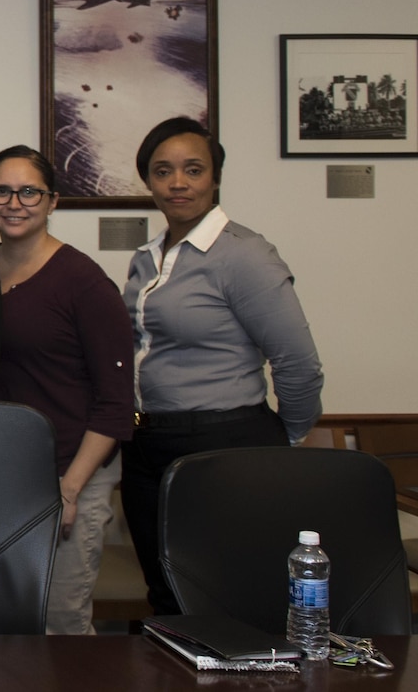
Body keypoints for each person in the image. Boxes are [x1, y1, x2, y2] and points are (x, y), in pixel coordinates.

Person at [121, 117, 323, 616]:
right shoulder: (147, 259)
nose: (178, 182)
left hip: (226, 444)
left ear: (215, 178)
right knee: (167, 596)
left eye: (194, 169)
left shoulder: (244, 255)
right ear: (147, 180)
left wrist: (284, 439)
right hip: (148, 445)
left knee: (228, 596)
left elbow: (298, 362)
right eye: (163, 171)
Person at [0, 145, 132, 635]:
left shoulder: (83, 282)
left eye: (29, 191)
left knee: (59, 626)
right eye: (2, 190)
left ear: (52, 202)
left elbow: (115, 404)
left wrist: (68, 489)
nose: (14, 202)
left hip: (71, 475)